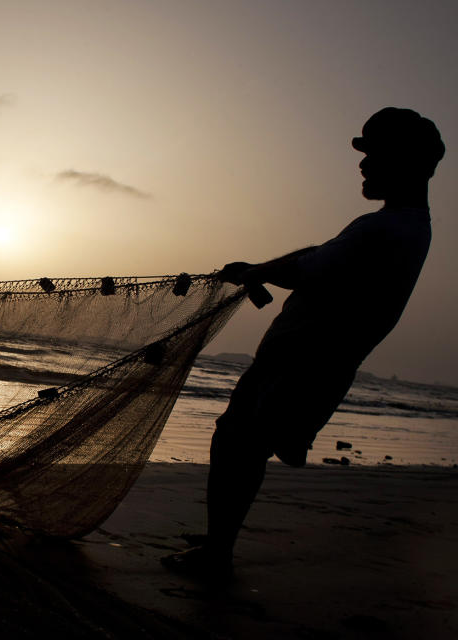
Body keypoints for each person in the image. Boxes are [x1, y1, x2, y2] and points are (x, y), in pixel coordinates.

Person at [162, 107, 445, 579]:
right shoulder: (398, 226)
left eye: (373, 154)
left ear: (404, 161)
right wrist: (258, 270)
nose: (363, 164)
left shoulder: (389, 228)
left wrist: (259, 271)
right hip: (306, 365)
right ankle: (219, 540)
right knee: (238, 442)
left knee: (237, 444)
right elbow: (318, 258)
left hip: (303, 367)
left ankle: (217, 555)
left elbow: (306, 268)